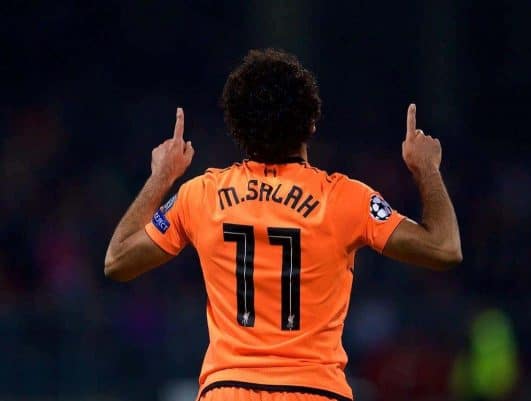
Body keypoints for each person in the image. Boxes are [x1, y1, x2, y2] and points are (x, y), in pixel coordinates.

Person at [104, 49, 462, 401]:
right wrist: (426, 169)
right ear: (311, 123)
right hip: (317, 389)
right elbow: (444, 249)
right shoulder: (345, 199)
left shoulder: (200, 196)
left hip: (227, 390)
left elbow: (117, 261)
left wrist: (161, 177)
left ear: (237, 128)